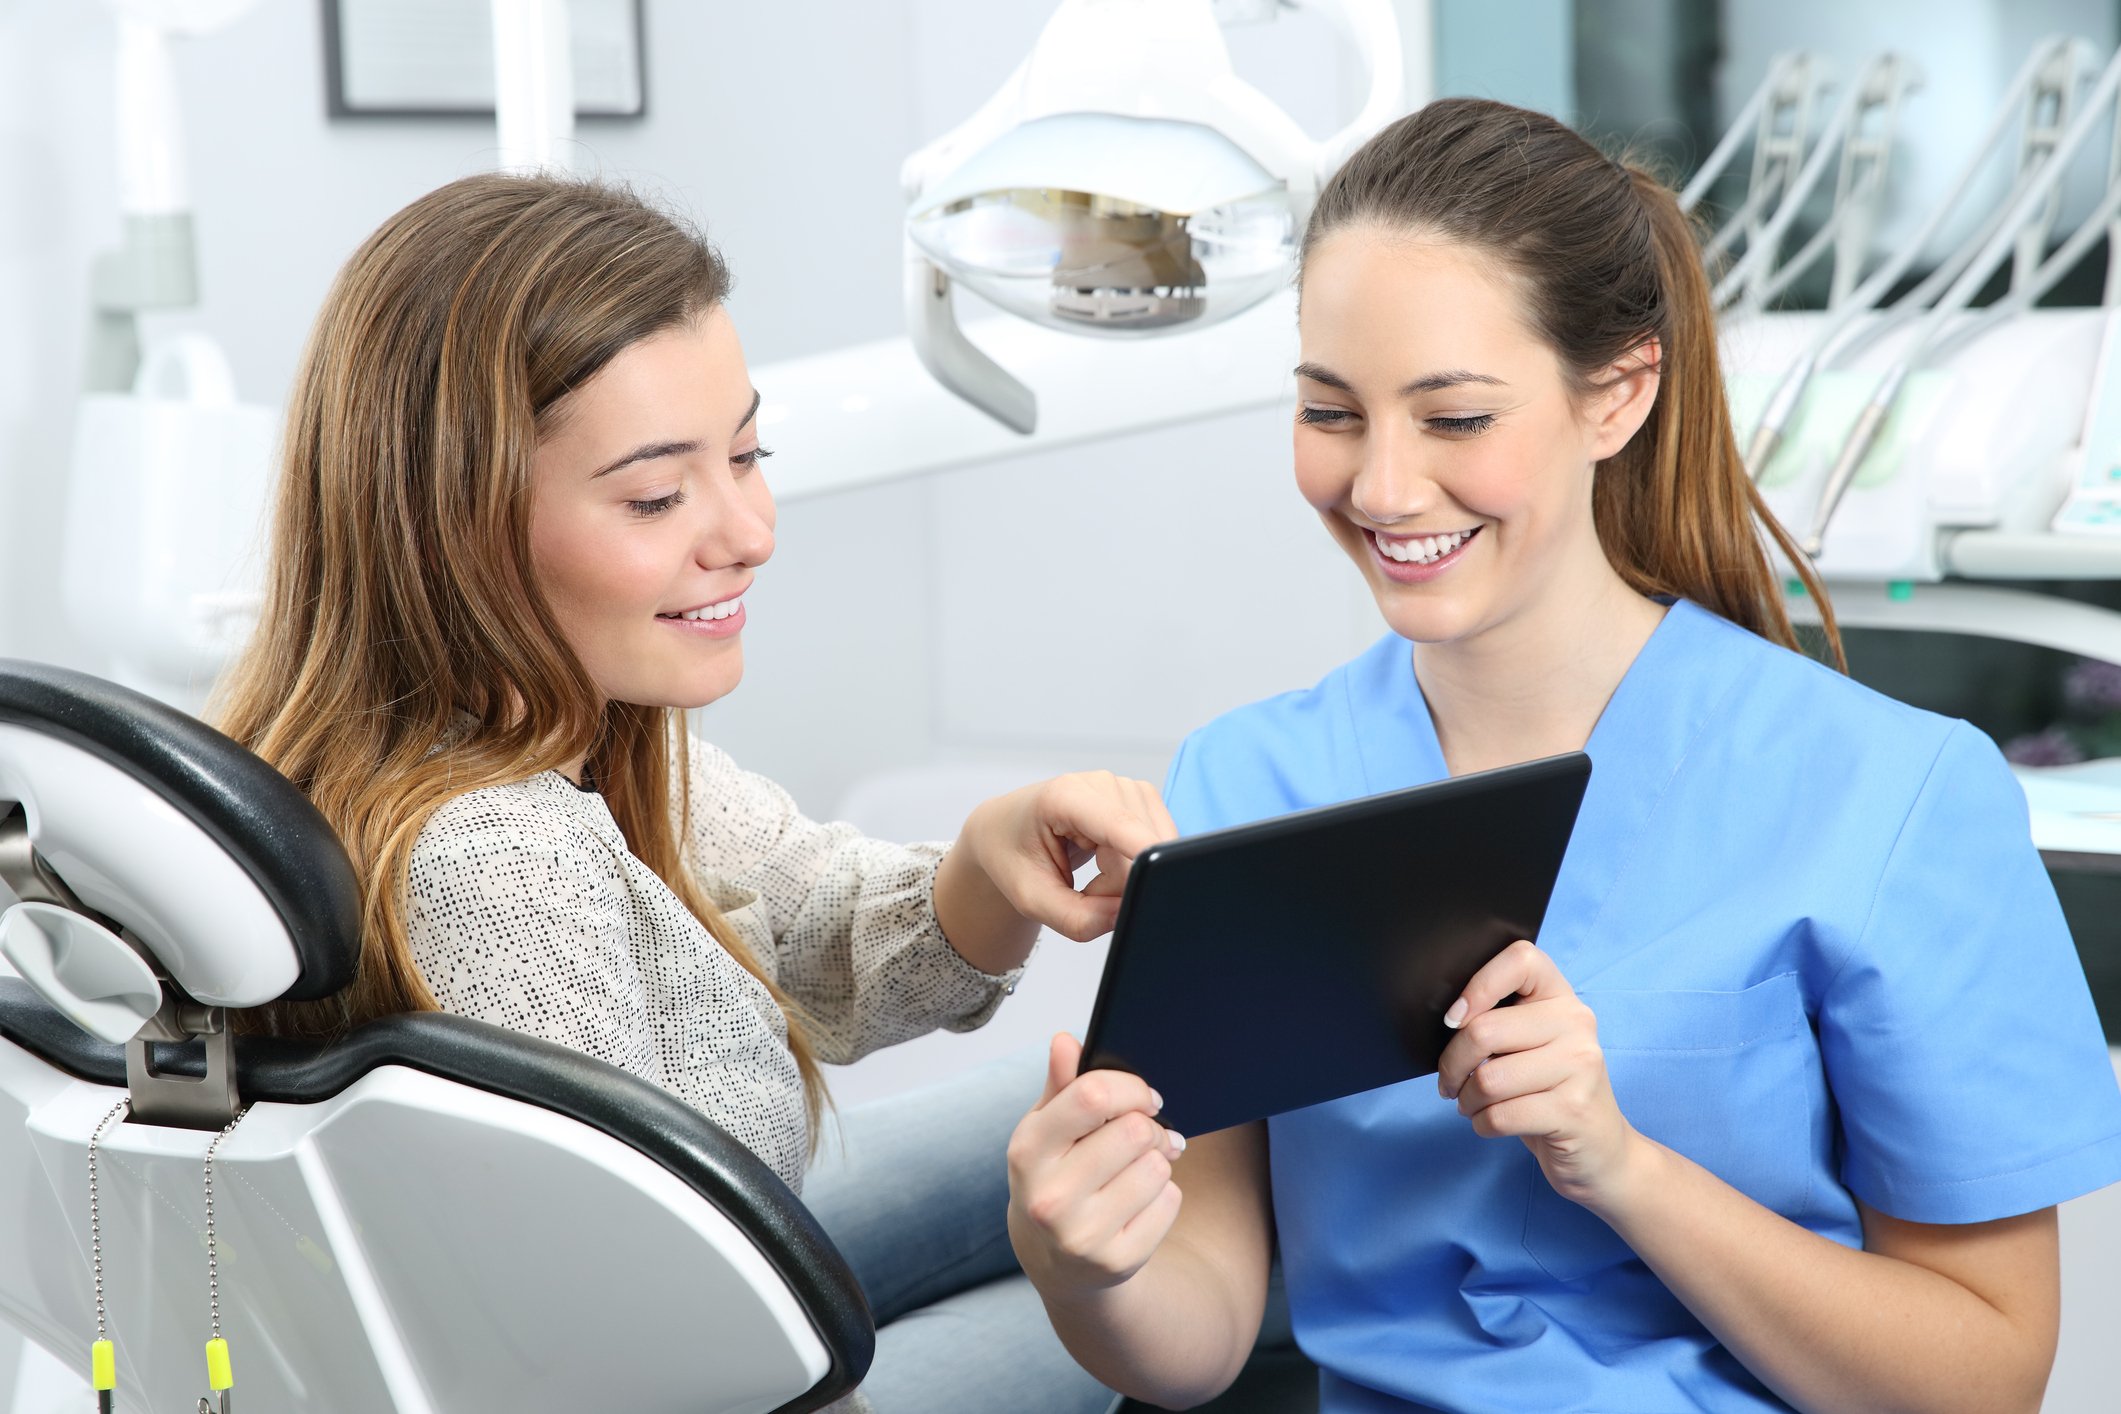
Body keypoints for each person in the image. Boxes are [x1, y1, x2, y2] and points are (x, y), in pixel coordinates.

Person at [1005, 98, 2121, 1414]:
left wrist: (1619, 1163)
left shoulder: (1893, 793)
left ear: (1618, 393)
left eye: (1456, 418)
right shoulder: (1247, 782)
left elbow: (1982, 1378)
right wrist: (1084, 1265)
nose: (1380, 488)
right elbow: (1200, 1334)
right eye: (1330, 410)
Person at [213, 172, 1168, 1414]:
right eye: (659, 495)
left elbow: (805, 919)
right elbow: (627, 1367)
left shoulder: (546, 736)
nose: (750, 529)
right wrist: (1109, 1317)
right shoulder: (500, 859)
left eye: (746, 454)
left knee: (1110, 1111)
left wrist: (984, 867)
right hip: (687, 1373)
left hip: (697, 1290)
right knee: (1146, 1290)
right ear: (456, 525)